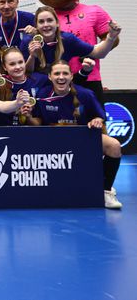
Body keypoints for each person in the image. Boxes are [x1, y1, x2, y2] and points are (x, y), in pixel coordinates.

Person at [29, 60, 123, 209]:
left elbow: (99, 116)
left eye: (65, 73)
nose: (61, 77)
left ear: (71, 76)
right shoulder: (41, 95)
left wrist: (97, 120)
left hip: (81, 139)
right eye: (57, 73)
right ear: (50, 77)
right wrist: (28, 116)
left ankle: (106, 190)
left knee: (114, 145)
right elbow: (38, 122)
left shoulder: (86, 94)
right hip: (52, 142)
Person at [21, 6, 120, 76]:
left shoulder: (67, 40)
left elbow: (99, 53)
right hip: (37, 89)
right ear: (36, 25)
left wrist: (111, 37)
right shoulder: (28, 41)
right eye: (41, 22)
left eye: (50, 20)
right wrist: (32, 56)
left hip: (61, 86)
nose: (46, 25)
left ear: (57, 23)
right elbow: (24, 73)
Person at [0, 47, 49, 126]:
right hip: (1, 131)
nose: (18, 67)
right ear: (4, 67)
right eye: (12, 64)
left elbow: (39, 123)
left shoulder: (38, 80)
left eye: (20, 62)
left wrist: (28, 117)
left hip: (29, 132)